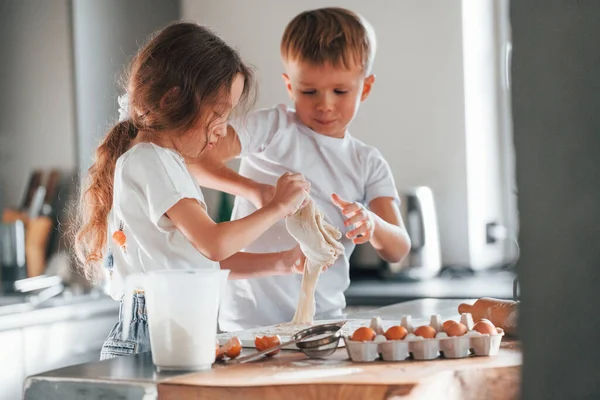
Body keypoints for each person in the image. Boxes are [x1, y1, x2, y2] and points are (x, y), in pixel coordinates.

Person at [74, 22, 310, 359]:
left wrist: (283, 262)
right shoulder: (151, 162)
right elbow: (214, 244)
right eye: (218, 113)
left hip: (171, 324)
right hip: (154, 332)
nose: (222, 129)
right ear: (174, 99)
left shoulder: (163, 164)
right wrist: (277, 207)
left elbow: (203, 260)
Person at [190, 7, 411, 331]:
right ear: (290, 86)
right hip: (249, 324)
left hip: (324, 323)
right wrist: (255, 191)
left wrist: (373, 224)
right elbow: (195, 158)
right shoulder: (272, 128)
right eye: (309, 91)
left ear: (364, 87)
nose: (325, 104)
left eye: (340, 91)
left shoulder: (367, 162)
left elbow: (398, 249)